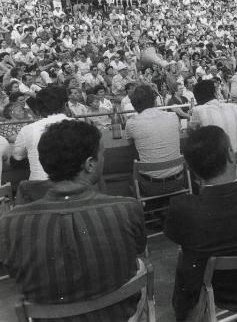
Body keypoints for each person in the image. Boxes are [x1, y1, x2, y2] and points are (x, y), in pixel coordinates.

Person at [0, 120, 146, 321]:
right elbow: (137, 251)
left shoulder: (10, 224)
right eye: (102, 154)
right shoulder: (127, 208)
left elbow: (16, 274)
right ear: (90, 164)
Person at [164, 126, 237, 321]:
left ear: (191, 169)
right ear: (230, 154)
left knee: (185, 257)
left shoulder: (184, 210)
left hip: (215, 295)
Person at [124, 84, 185, 196]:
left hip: (151, 186)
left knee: (128, 177)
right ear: (155, 101)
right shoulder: (173, 116)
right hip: (179, 181)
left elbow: (129, 144)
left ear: (134, 105)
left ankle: (145, 208)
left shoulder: (131, 123)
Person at [13, 86, 70, 181]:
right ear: (65, 105)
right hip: (73, 187)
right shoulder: (82, 126)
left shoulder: (28, 130)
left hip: (40, 187)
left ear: (38, 110)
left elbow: (16, 159)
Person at [190, 79, 237, 153]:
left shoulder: (197, 110)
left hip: (217, 163)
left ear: (196, 98)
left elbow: (192, 131)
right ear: (215, 93)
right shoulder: (233, 106)